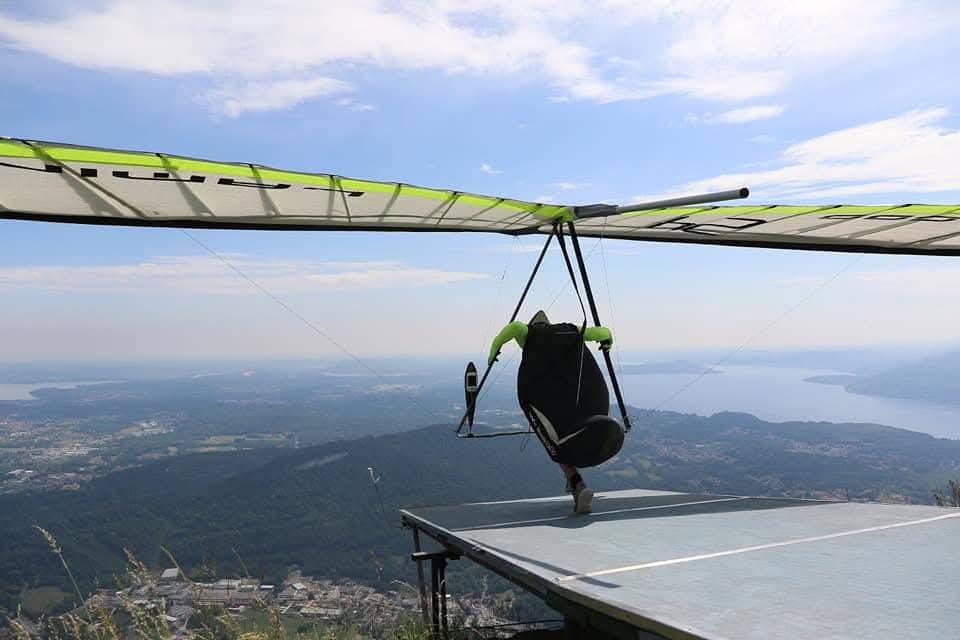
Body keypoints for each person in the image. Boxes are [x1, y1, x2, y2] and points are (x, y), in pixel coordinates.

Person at [488, 310, 625, 514]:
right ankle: (575, 484)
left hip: (570, 429)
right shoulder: (572, 330)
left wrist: (494, 348)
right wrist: (608, 342)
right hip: (602, 426)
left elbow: (515, 327)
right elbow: (604, 332)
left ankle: (577, 484)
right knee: (567, 435)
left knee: (559, 445)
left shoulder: (529, 333)